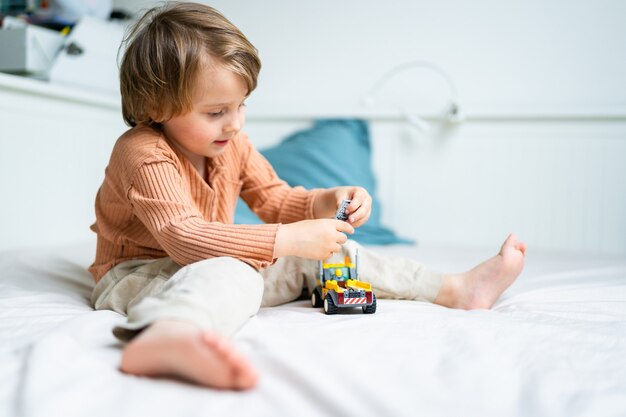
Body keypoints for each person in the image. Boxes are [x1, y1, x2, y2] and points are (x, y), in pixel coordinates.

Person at [89, 2, 527, 391]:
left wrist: (328, 199)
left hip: (205, 261)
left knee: (336, 252)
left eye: (242, 106)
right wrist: (288, 239)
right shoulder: (142, 153)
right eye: (216, 112)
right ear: (156, 108)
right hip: (137, 272)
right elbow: (184, 238)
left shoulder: (231, 145)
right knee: (235, 273)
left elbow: (276, 200)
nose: (235, 124)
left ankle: (453, 290)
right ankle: (171, 334)